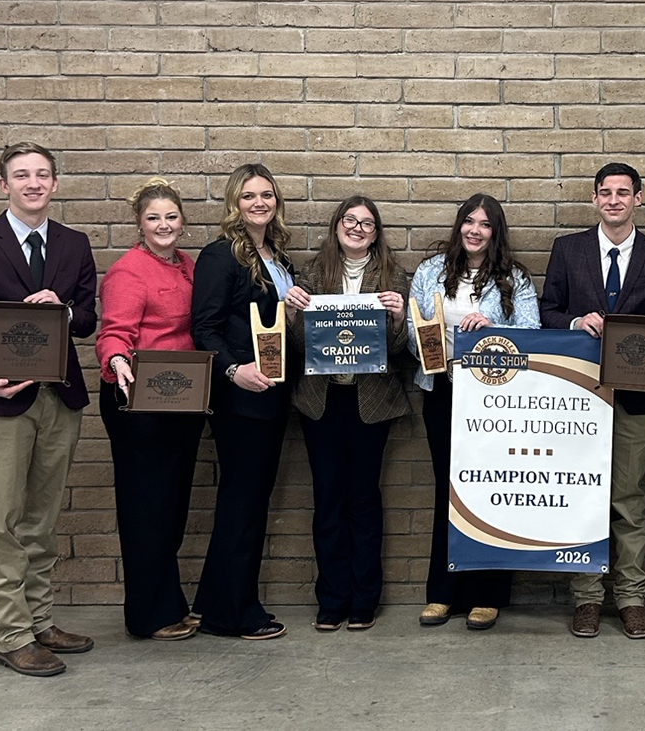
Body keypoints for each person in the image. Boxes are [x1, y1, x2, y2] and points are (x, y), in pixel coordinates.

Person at [0, 142, 97, 676]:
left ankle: (40, 621)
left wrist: (64, 308)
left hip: (61, 398)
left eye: (42, 174)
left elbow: (87, 321)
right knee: (1, 519)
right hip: (4, 401)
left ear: (55, 183)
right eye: (22, 175)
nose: (34, 183)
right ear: (3, 184)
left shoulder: (75, 244)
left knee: (42, 520)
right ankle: (11, 635)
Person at [539, 162, 645, 639]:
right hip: (577, 394)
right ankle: (587, 596)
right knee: (583, 494)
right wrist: (575, 322)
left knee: (627, 498)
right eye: (605, 192)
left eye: (623, 192)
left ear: (638, 198)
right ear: (594, 199)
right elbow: (547, 311)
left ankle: (632, 596)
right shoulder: (568, 249)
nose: (613, 200)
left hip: (636, 396)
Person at [407, 193, 539, 631]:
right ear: (459, 225)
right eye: (469, 221)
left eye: (485, 224)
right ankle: (443, 592)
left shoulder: (514, 277)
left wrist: (493, 328)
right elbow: (411, 330)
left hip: (494, 397)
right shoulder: (430, 271)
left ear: (495, 232)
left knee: (490, 489)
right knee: (448, 491)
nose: (475, 230)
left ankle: (488, 594)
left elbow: (532, 332)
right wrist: (428, 345)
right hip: (443, 391)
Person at [191, 163, 305, 640]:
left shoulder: (277, 257)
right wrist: (234, 371)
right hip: (240, 399)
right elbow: (204, 328)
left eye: (267, 195)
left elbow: (276, 326)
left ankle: (217, 603)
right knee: (242, 504)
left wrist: (296, 312)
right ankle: (234, 613)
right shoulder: (220, 255)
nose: (259, 203)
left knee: (251, 503)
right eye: (249, 196)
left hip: (271, 397)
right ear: (234, 203)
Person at [287, 197, 411, 632]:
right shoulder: (311, 274)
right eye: (350, 220)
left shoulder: (394, 277)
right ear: (337, 226)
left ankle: (364, 599)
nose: (357, 228)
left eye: (367, 223)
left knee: (363, 498)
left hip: (370, 403)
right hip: (321, 402)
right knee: (327, 499)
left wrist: (399, 318)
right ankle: (331, 599)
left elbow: (398, 351)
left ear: (376, 234)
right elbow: (299, 346)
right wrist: (293, 314)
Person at [96, 177, 205, 642]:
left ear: (182, 221)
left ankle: (169, 604)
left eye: (171, 216)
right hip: (138, 400)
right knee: (147, 509)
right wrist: (117, 360)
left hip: (182, 398)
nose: (163, 225)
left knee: (171, 505)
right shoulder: (128, 272)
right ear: (139, 224)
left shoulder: (188, 266)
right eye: (153, 218)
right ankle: (148, 616)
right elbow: (113, 332)